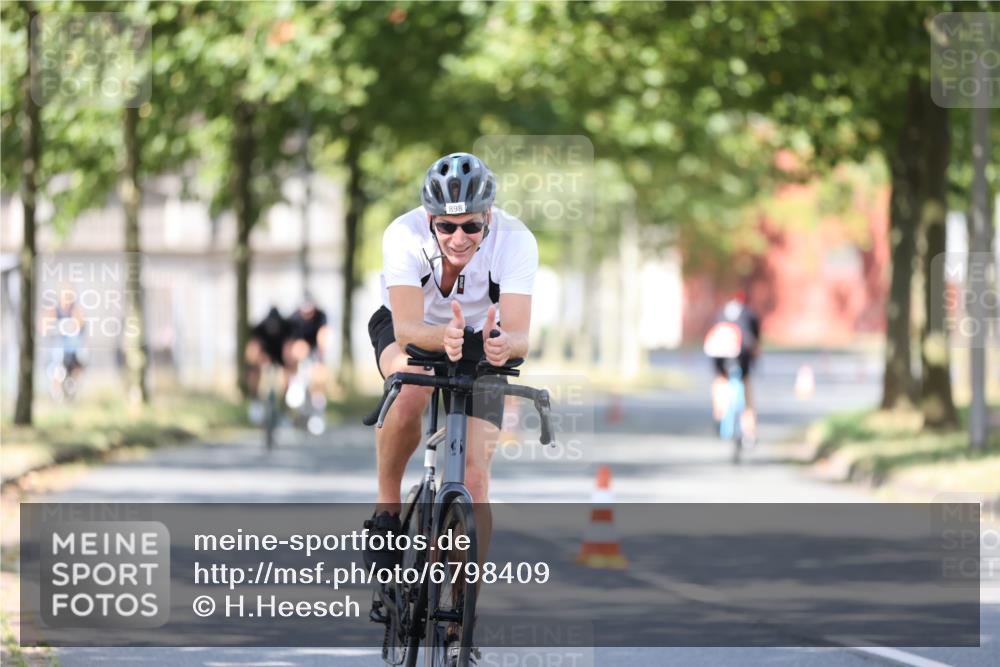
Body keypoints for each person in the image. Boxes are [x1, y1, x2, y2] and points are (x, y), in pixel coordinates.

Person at [364, 152, 538, 569]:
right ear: (429, 219)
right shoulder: (402, 235)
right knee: (408, 386)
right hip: (413, 326)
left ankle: (462, 617)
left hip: (479, 335)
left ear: (488, 217)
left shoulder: (516, 241)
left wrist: (503, 346)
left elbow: (519, 337)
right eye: (446, 226)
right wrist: (440, 337)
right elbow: (405, 328)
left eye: (472, 226)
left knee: (476, 483)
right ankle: (386, 510)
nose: (459, 238)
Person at [706, 290, 761, 443]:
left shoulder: (720, 312)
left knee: (720, 379)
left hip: (718, 350)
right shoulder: (749, 314)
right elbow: (755, 342)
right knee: (746, 383)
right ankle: (750, 429)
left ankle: (719, 413)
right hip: (742, 351)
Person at [246, 306, 291, 398]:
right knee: (253, 356)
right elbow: (254, 345)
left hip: (281, 355)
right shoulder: (260, 329)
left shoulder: (287, 327)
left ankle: (285, 399)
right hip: (265, 354)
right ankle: (255, 398)